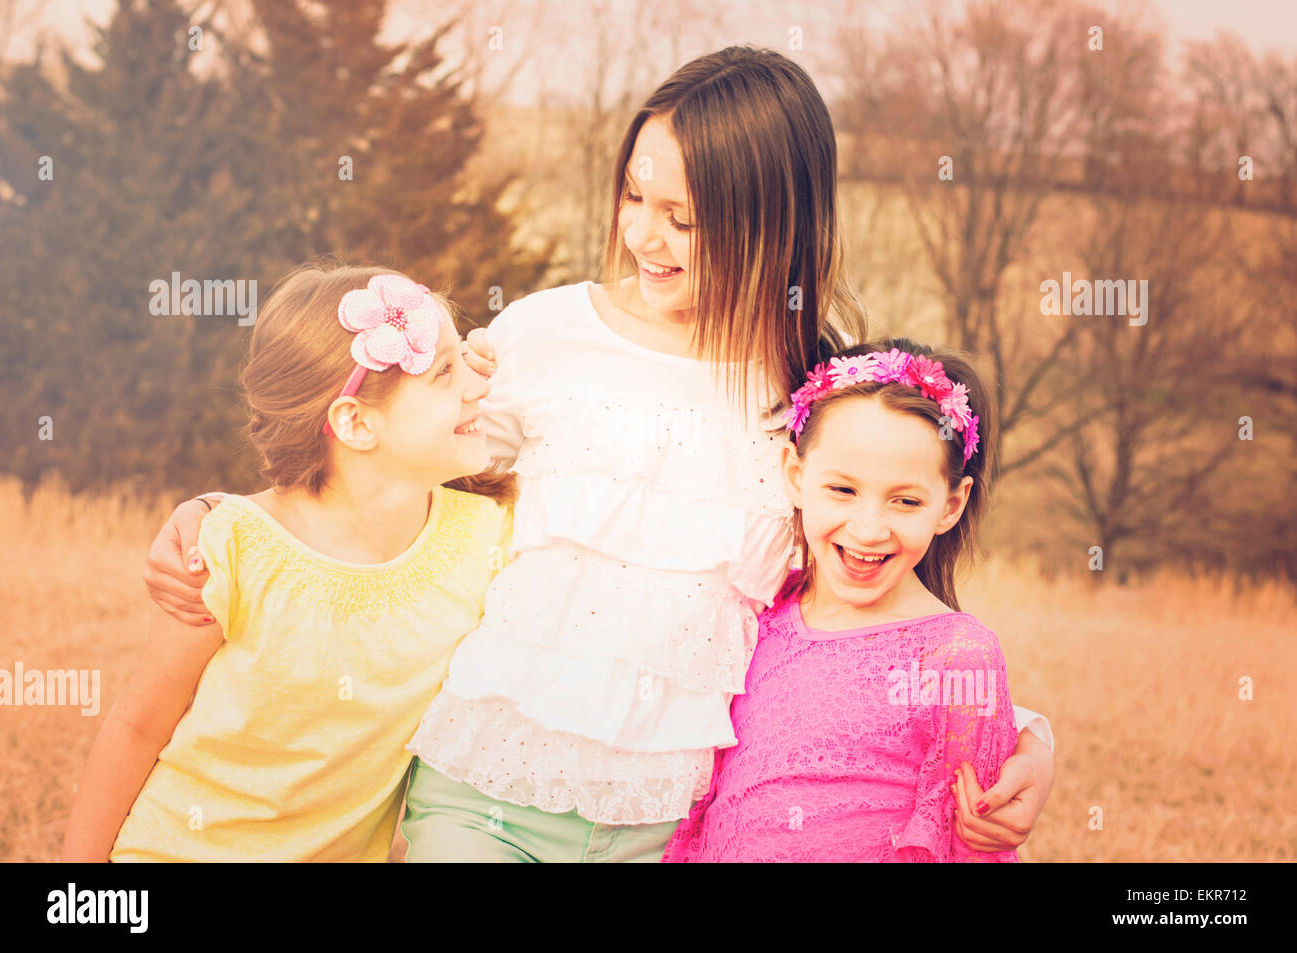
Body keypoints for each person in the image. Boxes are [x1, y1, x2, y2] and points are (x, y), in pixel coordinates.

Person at [141, 48, 1053, 863]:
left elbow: (860, 599)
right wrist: (238, 512)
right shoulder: (544, 335)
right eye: (634, 198)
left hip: (666, 823)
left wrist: (1026, 736)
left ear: (772, 224)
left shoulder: (810, 389)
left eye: (683, 220)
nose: (643, 236)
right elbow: (390, 456)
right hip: (485, 790)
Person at [62, 264, 513, 861]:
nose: (479, 386)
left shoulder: (485, 538)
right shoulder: (234, 549)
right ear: (354, 423)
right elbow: (137, 725)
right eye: (445, 373)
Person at [663, 339, 1022, 861]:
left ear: (950, 506)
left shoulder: (959, 655)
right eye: (843, 491)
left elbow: (974, 845)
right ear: (795, 475)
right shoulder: (756, 613)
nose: (869, 528)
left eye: (906, 501)